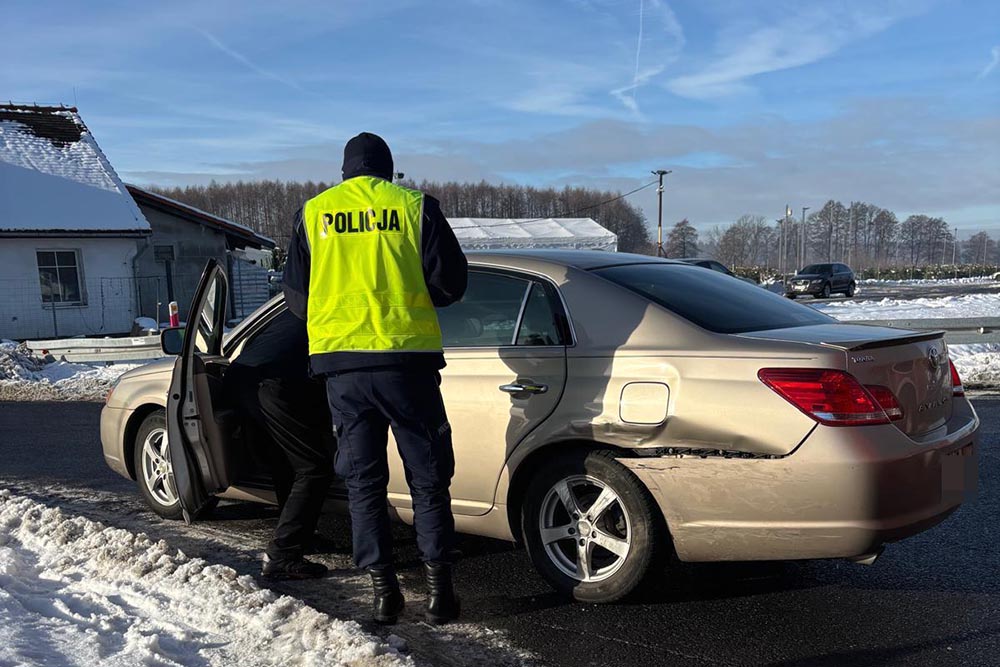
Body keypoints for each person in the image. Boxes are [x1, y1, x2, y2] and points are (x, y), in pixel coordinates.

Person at [283, 132, 468, 625]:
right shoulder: (414, 206)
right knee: (428, 477)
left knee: (364, 481)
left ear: (344, 172)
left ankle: (384, 591)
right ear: (389, 171)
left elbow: (297, 298)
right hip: (406, 364)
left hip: (341, 368)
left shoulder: (313, 213)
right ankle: (440, 593)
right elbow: (451, 284)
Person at [223, 309, 334, 580]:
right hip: (275, 383)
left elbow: (252, 343)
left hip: (243, 376)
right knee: (314, 467)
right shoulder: (336, 310)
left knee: (285, 461)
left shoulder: (300, 307)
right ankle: (283, 554)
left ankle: (298, 536)